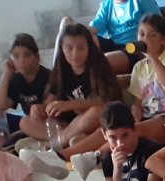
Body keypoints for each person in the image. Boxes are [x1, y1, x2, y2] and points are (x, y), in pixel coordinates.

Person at [20, 20, 125, 158]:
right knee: (25, 122)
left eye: (80, 48)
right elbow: (49, 102)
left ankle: (58, 144)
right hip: (69, 125)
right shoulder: (60, 70)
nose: (75, 54)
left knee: (96, 112)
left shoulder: (99, 68)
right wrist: (39, 109)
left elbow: (107, 104)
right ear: (62, 48)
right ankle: (70, 139)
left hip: (93, 120)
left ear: (89, 48)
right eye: (69, 48)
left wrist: (71, 104)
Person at [127, 15, 165, 144]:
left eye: (152, 35)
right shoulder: (139, 67)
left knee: (132, 132)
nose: (145, 39)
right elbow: (137, 103)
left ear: (163, 40)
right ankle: (92, 153)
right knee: (120, 129)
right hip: (148, 119)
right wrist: (134, 118)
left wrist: (152, 57)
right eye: (142, 34)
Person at [0, 34, 51, 146]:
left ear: (37, 57)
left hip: (50, 123)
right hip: (34, 126)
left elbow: (48, 110)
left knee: (24, 124)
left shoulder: (47, 77)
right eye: (16, 56)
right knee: (14, 143)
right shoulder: (17, 80)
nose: (22, 61)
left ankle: (57, 141)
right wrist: (6, 75)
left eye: (27, 55)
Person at [87, 0, 159, 73]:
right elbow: (94, 28)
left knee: (101, 63)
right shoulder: (107, 4)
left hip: (135, 48)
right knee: (87, 38)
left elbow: (158, 26)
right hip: (114, 45)